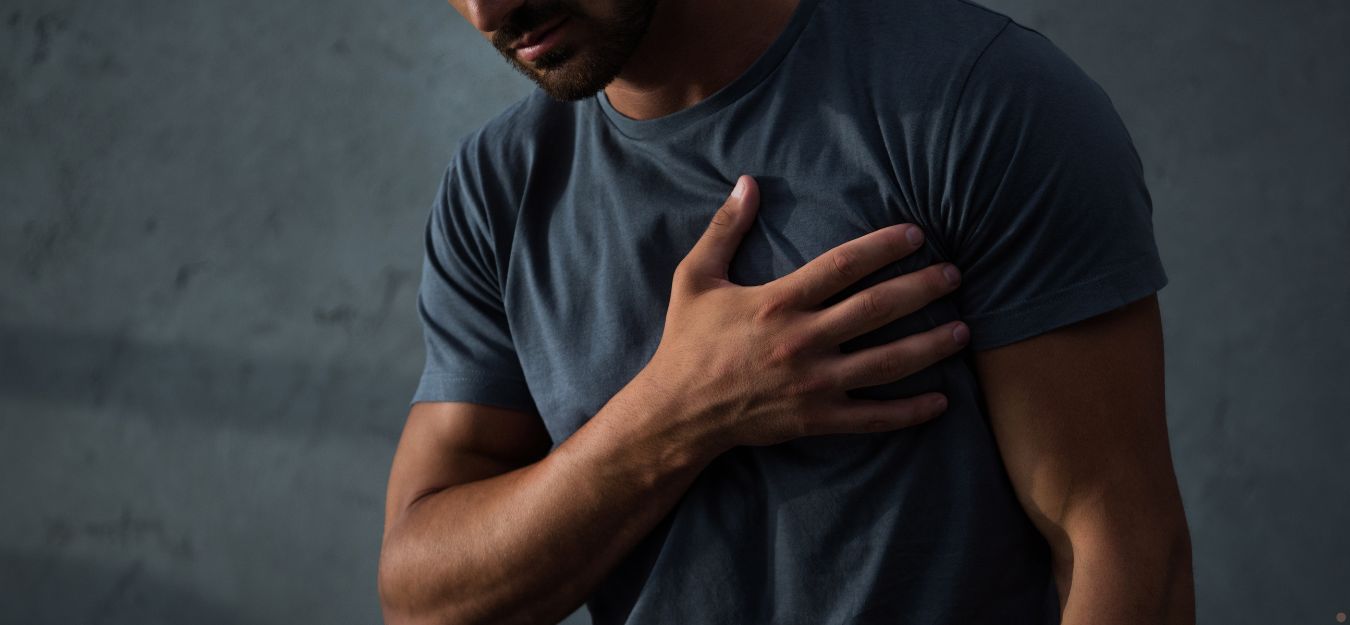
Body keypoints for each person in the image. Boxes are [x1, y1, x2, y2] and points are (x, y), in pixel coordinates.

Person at [377, 0, 1195, 623]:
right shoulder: (499, 188)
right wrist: (674, 415)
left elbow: (1124, 553)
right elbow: (424, 594)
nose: (488, 11)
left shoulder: (974, 102)